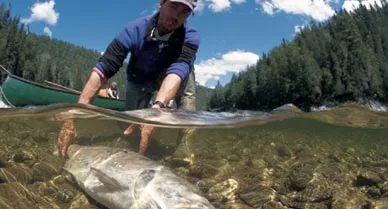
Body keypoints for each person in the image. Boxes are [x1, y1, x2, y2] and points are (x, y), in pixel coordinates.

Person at [57, 0, 200, 158]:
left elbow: (178, 70)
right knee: (130, 122)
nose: (176, 16)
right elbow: (104, 67)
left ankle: (185, 151)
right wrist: (72, 118)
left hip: (172, 77)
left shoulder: (191, 36)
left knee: (187, 82)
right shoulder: (135, 29)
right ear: (161, 3)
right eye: (173, 6)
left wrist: (157, 108)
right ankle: (137, 148)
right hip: (139, 76)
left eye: (184, 12)